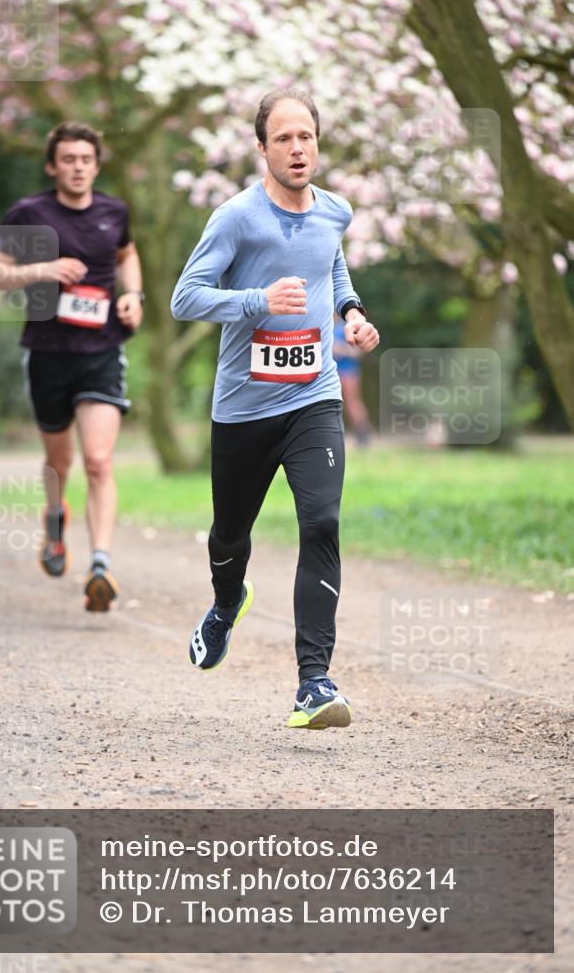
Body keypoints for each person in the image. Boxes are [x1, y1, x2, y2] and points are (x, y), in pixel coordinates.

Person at [171, 89, 380, 729]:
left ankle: (313, 682)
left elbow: (330, 266)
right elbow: (186, 298)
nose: (297, 148)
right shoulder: (236, 217)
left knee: (321, 521)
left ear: (319, 144)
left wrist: (351, 312)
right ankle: (227, 601)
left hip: (312, 395)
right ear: (262, 148)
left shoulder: (334, 213)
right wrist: (258, 300)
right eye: (284, 138)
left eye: (307, 137)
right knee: (230, 534)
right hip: (244, 408)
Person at [0, 122, 144, 612]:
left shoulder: (114, 211)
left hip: (100, 351)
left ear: (97, 164)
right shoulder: (30, 213)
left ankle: (99, 566)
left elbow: (127, 252)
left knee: (98, 460)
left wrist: (133, 295)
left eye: (86, 159)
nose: (78, 167)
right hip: (48, 352)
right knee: (60, 461)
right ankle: (55, 516)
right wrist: (42, 270)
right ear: (53, 166)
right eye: (68, 159)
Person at [332, 313, 372, 446]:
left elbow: (359, 353)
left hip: (348, 372)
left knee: (352, 404)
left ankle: (363, 436)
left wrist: (340, 349)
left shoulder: (346, 328)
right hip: (332, 374)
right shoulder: (324, 329)